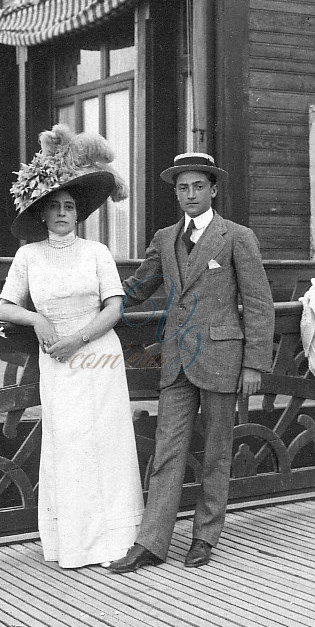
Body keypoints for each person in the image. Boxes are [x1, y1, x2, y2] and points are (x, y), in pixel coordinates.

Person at [109, 152, 274, 573]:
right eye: (182, 188)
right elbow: (138, 287)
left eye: (198, 186)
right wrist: (87, 302)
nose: (190, 194)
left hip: (223, 358)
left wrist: (254, 364)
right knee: (167, 451)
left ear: (213, 189)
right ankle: (152, 542)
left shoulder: (237, 236)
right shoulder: (165, 238)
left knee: (218, 451)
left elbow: (258, 303)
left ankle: (205, 537)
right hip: (177, 361)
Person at [0, 125, 144, 568]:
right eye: (55, 206)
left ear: (78, 213)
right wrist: (38, 318)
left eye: (69, 206)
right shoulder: (29, 257)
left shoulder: (96, 252)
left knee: (108, 442)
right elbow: (6, 307)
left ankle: (114, 541)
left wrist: (78, 338)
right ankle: (74, 543)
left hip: (98, 355)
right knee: (70, 443)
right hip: (57, 363)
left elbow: (114, 308)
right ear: (42, 212)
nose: (63, 213)